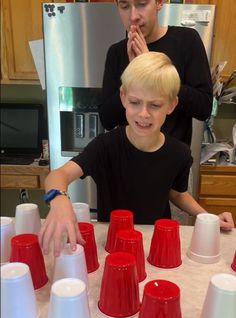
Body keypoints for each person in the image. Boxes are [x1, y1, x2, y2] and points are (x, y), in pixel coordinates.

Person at [39, 52, 233, 256]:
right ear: (123, 98)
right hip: (114, 245)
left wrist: (209, 218)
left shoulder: (180, 153)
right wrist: (59, 199)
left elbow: (176, 193)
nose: (143, 114)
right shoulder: (105, 146)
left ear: (171, 105)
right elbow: (58, 175)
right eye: (135, 102)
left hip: (155, 244)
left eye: (155, 105)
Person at [99, 0, 213, 146]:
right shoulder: (116, 52)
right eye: (125, 6)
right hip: (128, 159)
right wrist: (134, 72)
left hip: (173, 161)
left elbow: (203, 108)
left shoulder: (187, 40)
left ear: (159, 3)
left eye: (142, 4)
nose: (133, 16)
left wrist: (152, 69)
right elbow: (107, 119)